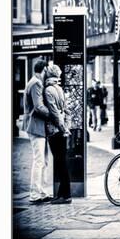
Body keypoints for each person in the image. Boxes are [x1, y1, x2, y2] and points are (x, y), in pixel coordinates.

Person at [22, 58, 52, 203]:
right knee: (39, 160)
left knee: (43, 160)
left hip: (38, 126)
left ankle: (42, 192)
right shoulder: (36, 83)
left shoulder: (33, 81)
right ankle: (35, 194)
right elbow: (38, 107)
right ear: (44, 70)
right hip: (36, 126)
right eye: (47, 70)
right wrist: (52, 114)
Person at [44, 63, 72, 204]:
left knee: (60, 162)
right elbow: (67, 110)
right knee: (62, 161)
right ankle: (63, 194)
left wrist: (62, 128)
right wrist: (67, 127)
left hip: (55, 131)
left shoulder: (48, 90)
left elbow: (54, 112)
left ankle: (65, 195)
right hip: (62, 131)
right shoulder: (59, 89)